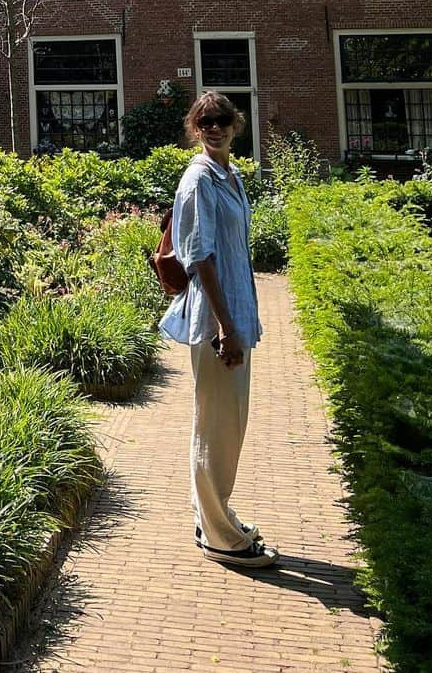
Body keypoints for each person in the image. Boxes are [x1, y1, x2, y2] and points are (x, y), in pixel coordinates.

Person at [159, 90, 277, 568]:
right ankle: (220, 535)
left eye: (221, 121)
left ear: (235, 125)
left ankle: (213, 514)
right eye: (205, 122)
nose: (214, 128)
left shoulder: (230, 175)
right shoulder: (199, 181)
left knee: (220, 424)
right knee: (219, 428)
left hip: (233, 317)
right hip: (216, 323)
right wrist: (227, 327)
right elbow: (200, 256)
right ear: (195, 128)